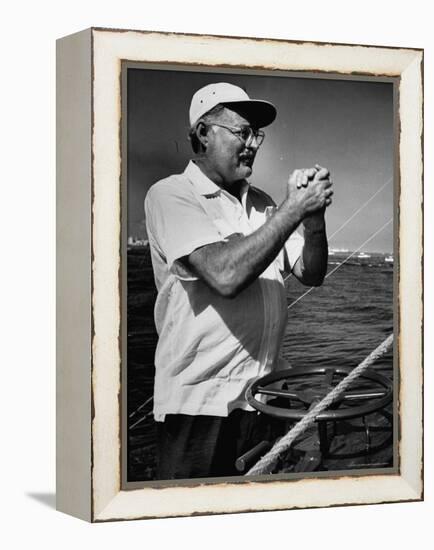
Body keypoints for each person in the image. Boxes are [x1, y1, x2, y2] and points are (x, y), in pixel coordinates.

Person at [144, 82, 333, 479]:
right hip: (200, 407)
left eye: (256, 135)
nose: (252, 144)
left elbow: (311, 274)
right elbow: (224, 275)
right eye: (241, 132)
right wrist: (292, 210)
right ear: (202, 133)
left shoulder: (264, 203)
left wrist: (312, 221)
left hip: (264, 399)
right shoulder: (171, 195)